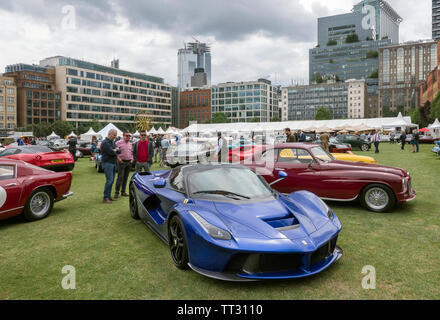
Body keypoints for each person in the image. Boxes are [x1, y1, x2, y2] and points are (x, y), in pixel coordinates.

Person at [101, 129, 120, 204]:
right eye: (114, 135)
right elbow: (111, 152)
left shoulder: (112, 142)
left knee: (111, 181)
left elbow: (119, 151)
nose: (115, 136)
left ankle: (108, 196)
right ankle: (105, 197)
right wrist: (115, 150)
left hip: (113, 163)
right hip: (107, 163)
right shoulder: (105, 142)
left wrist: (115, 150)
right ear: (109, 134)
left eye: (115, 135)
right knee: (109, 180)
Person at [114, 132, 134, 199]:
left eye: (129, 135)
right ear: (123, 136)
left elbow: (131, 152)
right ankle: (116, 192)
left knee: (125, 178)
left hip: (129, 162)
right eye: (127, 135)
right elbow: (115, 151)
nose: (128, 137)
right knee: (120, 177)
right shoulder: (118, 143)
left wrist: (132, 159)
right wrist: (118, 158)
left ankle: (123, 192)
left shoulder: (130, 144)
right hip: (121, 162)